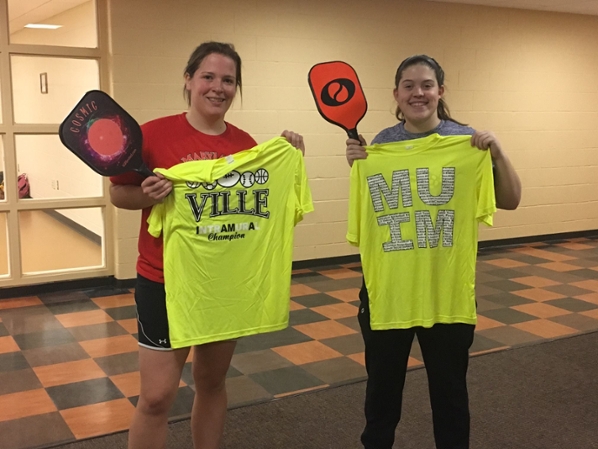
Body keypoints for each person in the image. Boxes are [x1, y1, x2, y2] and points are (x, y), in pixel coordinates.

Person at [109, 41, 305, 449]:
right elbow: (119, 195)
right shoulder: (153, 134)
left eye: (228, 80)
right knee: (157, 396)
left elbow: (266, 211)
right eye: (208, 77)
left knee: (211, 383)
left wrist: (288, 157)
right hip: (164, 281)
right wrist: (149, 196)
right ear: (189, 80)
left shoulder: (248, 146)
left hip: (222, 285)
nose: (218, 87)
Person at [345, 54, 521, 449]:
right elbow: (373, 210)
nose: (418, 93)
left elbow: (510, 200)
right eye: (408, 85)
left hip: (446, 292)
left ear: (441, 91)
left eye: (426, 85)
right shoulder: (380, 145)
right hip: (388, 291)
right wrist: (358, 167)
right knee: (381, 395)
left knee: (450, 394)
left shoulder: (467, 142)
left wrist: (497, 155)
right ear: (396, 93)